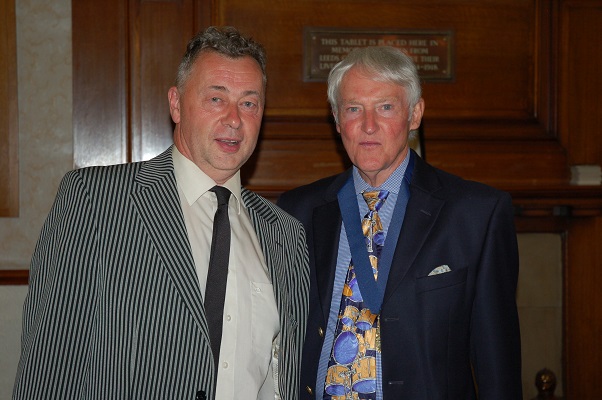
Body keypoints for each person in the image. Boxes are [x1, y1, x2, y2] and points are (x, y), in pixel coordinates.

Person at [13, 26, 309, 400]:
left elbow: (285, 377)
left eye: (249, 103)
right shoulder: (96, 200)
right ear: (176, 104)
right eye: (216, 99)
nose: (234, 119)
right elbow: (51, 363)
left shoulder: (285, 233)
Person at [278, 46, 522, 399]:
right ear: (336, 119)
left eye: (386, 107)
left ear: (415, 114)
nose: (368, 125)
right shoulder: (297, 211)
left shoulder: (476, 214)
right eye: (353, 108)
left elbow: (497, 365)